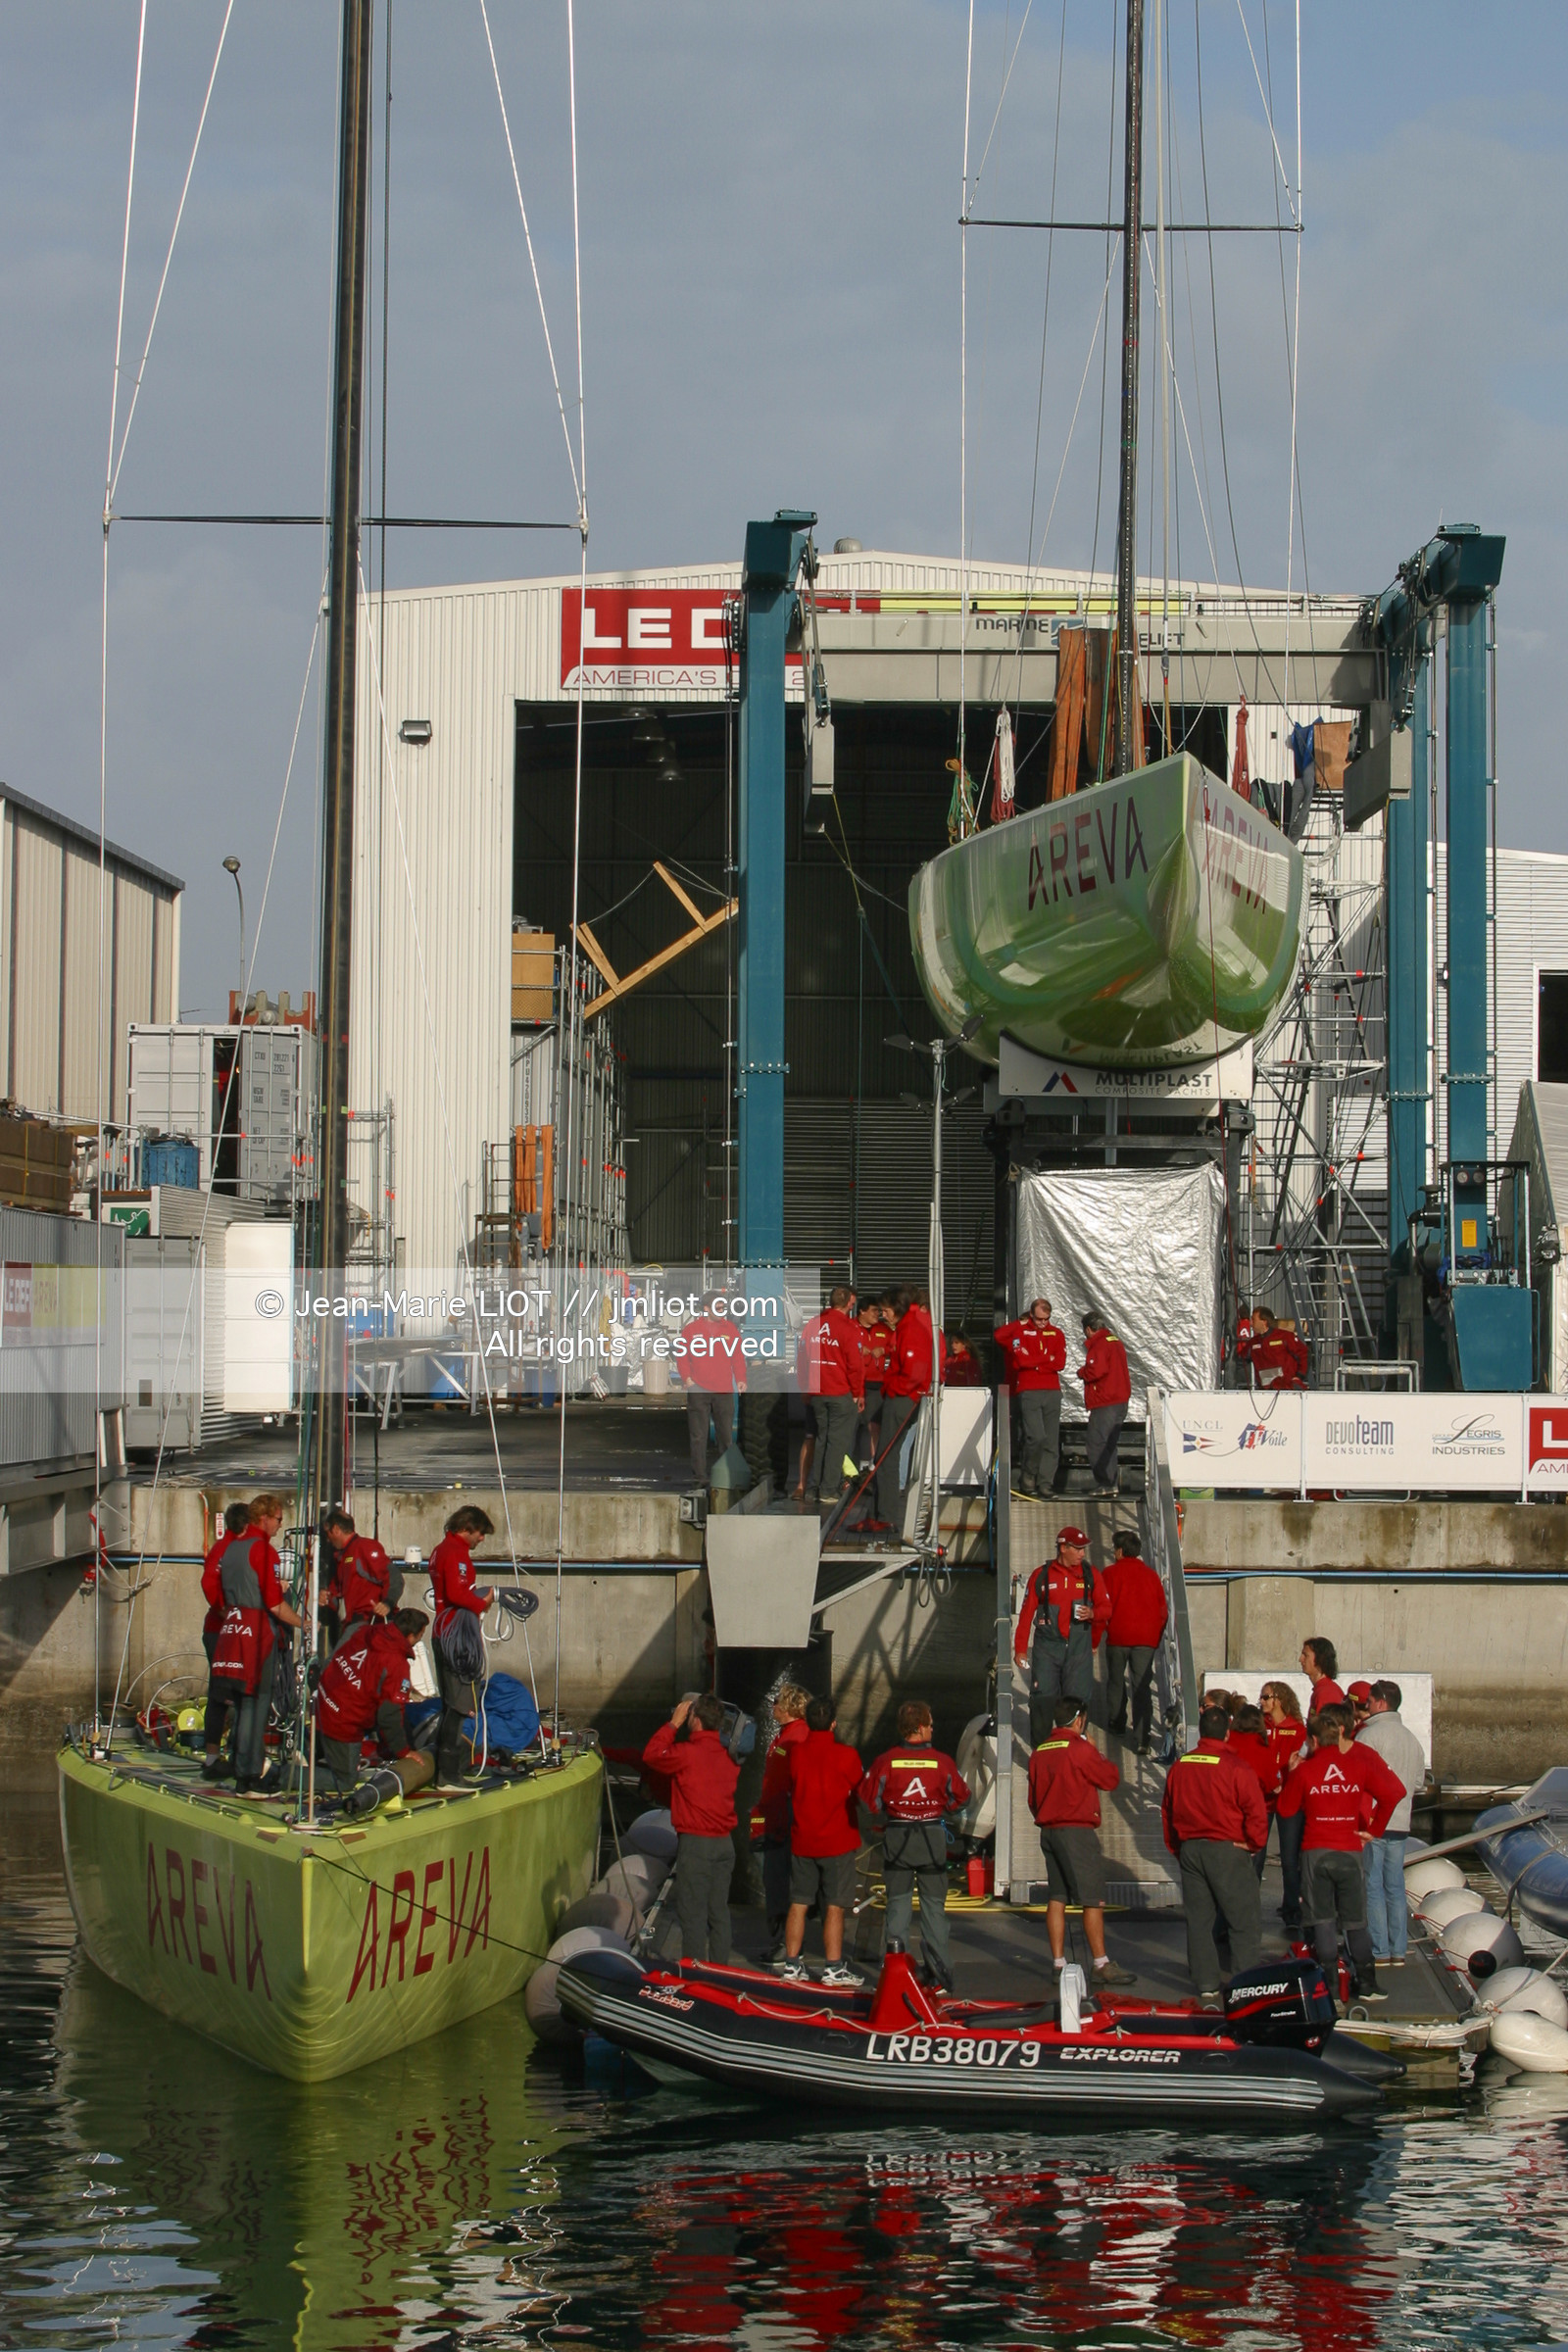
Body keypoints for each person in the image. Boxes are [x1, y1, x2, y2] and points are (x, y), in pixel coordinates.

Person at [1276, 1701, 1405, 2003]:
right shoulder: (1358, 1765)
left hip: (1315, 1852)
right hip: (1349, 1850)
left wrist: (1292, 1772)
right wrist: (1374, 1830)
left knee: (1322, 1920)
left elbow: (1285, 1809)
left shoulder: (1307, 1771)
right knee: (1355, 1921)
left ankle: (1331, 1988)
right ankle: (1369, 1983)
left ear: (1316, 1741)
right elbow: (1394, 1793)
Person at [1162, 1702, 1268, 2006]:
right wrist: (1254, 1843)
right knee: (1243, 1920)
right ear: (1226, 1734)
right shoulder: (1236, 1767)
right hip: (1228, 1848)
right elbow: (1255, 1809)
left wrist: (1178, 1848)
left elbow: (1167, 1810)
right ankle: (1244, 1983)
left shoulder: (1182, 1765)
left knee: (1199, 1920)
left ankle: (1206, 1983)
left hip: (1191, 1849)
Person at [859, 1700, 970, 1991]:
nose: (933, 1727)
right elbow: (961, 1796)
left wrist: (894, 1808)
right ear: (920, 1728)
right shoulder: (941, 1761)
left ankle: (895, 1975)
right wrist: (939, 1806)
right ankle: (940, 1975)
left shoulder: (886, 1761)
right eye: (931, 1723)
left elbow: (869, 1800)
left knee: (897, 1907)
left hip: (897, 1837)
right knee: (934, 1908)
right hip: (931, 1838)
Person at [1026, 1699, 1137, 1987]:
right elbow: (1110, 1779)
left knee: (1057, 1896)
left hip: (1048, 1829)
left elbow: (1032, 1798)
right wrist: (1094, 1749)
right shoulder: (1079, 1749)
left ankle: (1058, 1962)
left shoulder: (1039, 1752)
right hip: (1075, 1830)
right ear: (1079, 1721)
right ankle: (1100, 1962)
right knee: (1092, 1898)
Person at [208, 1494, 302, 1795]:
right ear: (264, 1518)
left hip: (232, 1629)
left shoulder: (231, 1548)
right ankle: (249, 1775)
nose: (279, 1525)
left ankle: (241, 1767)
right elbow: (274, 1603)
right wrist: (303, 1623)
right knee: (257, 1704)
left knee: (239, 1699)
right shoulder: (264, 1550)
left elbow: (216, 1589)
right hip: (258, 1632)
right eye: (278, 1519)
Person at [642, 1694, 742, 1964]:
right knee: (718, 1913)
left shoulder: (686, 1753)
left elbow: (651, 1755)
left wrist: (673, 1724)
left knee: (692, 1913)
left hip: (697, 1844)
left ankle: (695, 1976)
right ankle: (720, 1971)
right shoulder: (731, 1756)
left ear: (694, 1719)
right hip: (724, 1843)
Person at [780, 1695, 864, 1986]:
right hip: (837, 1841)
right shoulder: (847, 1755)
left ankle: (792, 1964)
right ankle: (833, 1967)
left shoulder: (796, 1754)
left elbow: (788, 1785)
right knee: (835, 1905)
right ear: (833, 1723)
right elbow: (862, 1790)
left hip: (804, 1840)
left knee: (798, 1902)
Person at [315, 1606, 436, 1796]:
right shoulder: (396, 1665)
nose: (421, 1638)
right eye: (421, 1634)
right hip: (344, 1721)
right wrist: (403, 1751)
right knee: (345, 1781)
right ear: (412, 1635)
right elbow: (390, 1714)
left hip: (323, 1700)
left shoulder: (365, 1630)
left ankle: (313, 1750)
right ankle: (277, 1775)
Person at [1013, 1527, 1111, 1747]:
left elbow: (1107, 1610)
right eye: (1078, 1549)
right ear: (1063, 1548)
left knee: (1077, 1703)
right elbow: (1027, 1612)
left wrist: (1093, 1614)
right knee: (1042, 1699)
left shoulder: (1091, 1574)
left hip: (1078, 1648)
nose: (1082, 1554)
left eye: (1083, 1549)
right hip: (1047, 1647)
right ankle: (1040, 1750)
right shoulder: (1042, 1575)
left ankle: (1074, 1751)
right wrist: (1020, 1648)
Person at [1357, 1679, 1427, 1969]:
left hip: (1373, 1821)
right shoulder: (1412, 1739)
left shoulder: (1369, 1735)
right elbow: (1419, 1783)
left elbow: (1356, 1777)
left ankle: (1379, 1949)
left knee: (1373, 1885)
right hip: (1401, 1820)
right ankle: (1399, 1949)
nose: (1366, 1707)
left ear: (1380, 1703)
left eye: (1369, 1702)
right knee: (1395, 1887)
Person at [429, 1504, 495, 1788]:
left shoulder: (441, 1550)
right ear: (466, 1528)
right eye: (480, 1533)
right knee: (458, 1706)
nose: (481, 1539)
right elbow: (457, 1593)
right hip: (454, 1635)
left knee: (452, 1704)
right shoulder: (455, 1553)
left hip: (444, 1630)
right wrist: (483, 1602)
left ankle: (448, 1771)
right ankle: (449, 1775)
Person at [874, 1286, 944, 1534]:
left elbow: (915, 1371)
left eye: (886, 1310)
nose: (883, 1315)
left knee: (886, 1457)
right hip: (905, 1396)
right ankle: (884, 1513)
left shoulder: (911, 1328)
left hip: (903, 1397)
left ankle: (886, 1515)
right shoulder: (912, 1326)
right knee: (888, 1455)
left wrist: (894, 1390)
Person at [796, 1285, 864, 1509]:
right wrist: (858, 1392)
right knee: (837, 1443)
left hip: (817, 1393)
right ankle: (828, 1490)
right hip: (839, 1391)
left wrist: (804, 1388)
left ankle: (814, 1488)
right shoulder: (848, 1327)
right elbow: (855, 1364)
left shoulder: (813, 1324)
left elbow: (803, 1358)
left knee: (822, 1439)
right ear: (848, 1304)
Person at [757, 1683, 811, 1958]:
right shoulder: (785, 1735)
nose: (773, 1705)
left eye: (777, 1701)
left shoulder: (796, 1737)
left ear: (789, 1706)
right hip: (774, 1815)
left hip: (784, 1820)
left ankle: (787, 1944)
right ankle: (782, 1939)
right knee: (774, 1878)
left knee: (780, 1880)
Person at [993, 1297, 1067, 1497]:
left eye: (1047, 1319)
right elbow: (1021, 1360)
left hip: (1052, 1390)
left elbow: (1060, 1362)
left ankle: (1045, 1483)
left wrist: (1036, 1362)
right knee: (1036, 1436)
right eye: (1039, 1319)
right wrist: (1045, 1359)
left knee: (1051, 1440)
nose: (1043, 1323)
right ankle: (1028, 1476)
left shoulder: (1057, 1333)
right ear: (1031, 1316)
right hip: (1028, 1390)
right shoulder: (1021, 1331)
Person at [1102, 1531, 1168, 1752]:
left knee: (1116, 1682)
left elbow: (1102, 1605)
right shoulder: (1151, 1576)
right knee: (1142, 1687)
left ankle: (1117, 1722)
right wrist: (1155, 1638)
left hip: (1118, 1637)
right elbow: (1163, 1611)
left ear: (1120, 1551)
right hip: (1145, 1641)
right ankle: (1142, 1738)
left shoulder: (1110, 1574)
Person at [200, 1500, 252, 1777]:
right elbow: (209, 1583)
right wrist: (225, 1611)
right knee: (228, 1695)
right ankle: (221, 1754)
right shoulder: (228, 1549)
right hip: (224, 1632)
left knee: (225, 1695)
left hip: (227, 1629)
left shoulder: (228, 1547)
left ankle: (222, 1752)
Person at [677, 1294, 748, 1489]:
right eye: (717, 1305)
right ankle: (699, 1476)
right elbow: (682, 1356)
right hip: (698, 1389)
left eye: (723, 1306)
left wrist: (741, 1378)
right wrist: (687, 1379)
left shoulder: (730, 1329)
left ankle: (725, 1476)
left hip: (724, 1390)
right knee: (698, 1436)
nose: (721, 1309)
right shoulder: (692, 1330)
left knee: (725, 1436)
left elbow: (737, 1356)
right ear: (706, 1308)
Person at [1260, 1680, 1312, 1926]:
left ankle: (1292, 1907)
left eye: (1265, 1696)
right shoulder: (1261, 1727)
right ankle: (1248, 1906)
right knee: (1256, 1854)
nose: (1261, 1701)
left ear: (1278, 1699)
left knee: (1290, 1858)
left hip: (1289, 1798)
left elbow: (1301, 1762)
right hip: (1263, 1797)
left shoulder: (1298, 1729)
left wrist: (1285, 1780)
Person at [1226, 1702, 1284, 1879]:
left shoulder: (1227, 1741)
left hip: (1226, 1809)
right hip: (1256, 1809)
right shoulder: (1261, 1747)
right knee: (1254, 1863)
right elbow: (1274, 1786)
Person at [321, 1507, 399, 1636]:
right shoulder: (342, 1558)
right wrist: (325, 1599)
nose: (328, 1540)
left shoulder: (364, 1548)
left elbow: (393, 1576)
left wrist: (387, 1603)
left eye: (327, 1534)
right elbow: (336, 1592)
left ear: (335, 1530)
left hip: (369, 1622)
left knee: (339, 1656)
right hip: (353, 1623)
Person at [1078, 1309, 1131, 1494]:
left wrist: (1082, 1372)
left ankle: (1105, 1482)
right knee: (1109, 1443)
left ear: (1089, 1329)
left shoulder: (1099, 1345)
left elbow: (1096, 1371)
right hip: (1120, 1400)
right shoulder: (1115, 1341)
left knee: (1095, 1442)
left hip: (1105, 1400)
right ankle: (1112, 1482)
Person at [1237, 1305, 1309, 1391]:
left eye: (1253, 1320)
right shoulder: (1253, 1343)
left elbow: (1304, 1354)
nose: (1250, 1324)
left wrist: (1299, 1376)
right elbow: (1240, 1360)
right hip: (1265, 1391)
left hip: (1288, 1389)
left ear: (1264, 1322)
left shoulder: (1284, 1337)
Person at [857, 1298, 893, 1468]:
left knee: (873, 1426)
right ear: (862, 1311)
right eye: (873, 1311)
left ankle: (871, 1466)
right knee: (853, 1428)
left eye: (879, 1311)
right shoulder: (851, 1327)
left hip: (876, 1384)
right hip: (853, 1384)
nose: (877, 1314)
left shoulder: (884, 1330)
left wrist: (883, 1350)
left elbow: (898, 1346)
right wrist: (856, 1350)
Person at [1299, 1637, 1346, 1718]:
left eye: (1305, 1655)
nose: (1300, 1659)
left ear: (1319, 1659)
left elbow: (1324, 1729)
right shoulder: (1322, 1689)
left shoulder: (1326, 1693)